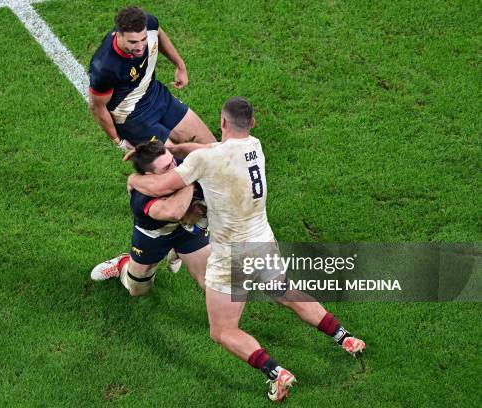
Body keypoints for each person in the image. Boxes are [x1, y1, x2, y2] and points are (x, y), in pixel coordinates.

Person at [127, 97, 366, 403]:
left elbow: (164, 190)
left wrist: (134, 178)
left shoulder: (204, 162)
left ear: (222, 123)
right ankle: (345, 338)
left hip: (231, 254)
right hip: (262, 240)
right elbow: (210, 151)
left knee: (223, 331)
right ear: (251, 123)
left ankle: (276, 373)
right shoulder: (254, 145)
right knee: (286, 294)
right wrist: (175, 149)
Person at [90, 140, 210, 296]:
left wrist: (175, 149)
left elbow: (216, 148)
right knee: (137, 290)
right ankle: (122, 264)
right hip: (155, 236)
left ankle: (180, 251)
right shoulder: (141, 197)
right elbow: (174, 212)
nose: (175, 167)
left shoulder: (180, 163)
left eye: (172, 159)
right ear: (149, 175)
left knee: (214, 282)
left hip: (189, 231)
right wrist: (190, 178)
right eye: (167, 167)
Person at [88, 6, 216, 151]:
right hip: (133, 118)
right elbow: (97, 107)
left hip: (157, 95)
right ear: (118, 35)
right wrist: (119, 141)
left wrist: (180, 65)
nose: (141, 47)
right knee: (175, 165)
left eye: (143, 39)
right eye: (133, 42)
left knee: (212, 147)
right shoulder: (105, 67)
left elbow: (159, 34)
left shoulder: (149, 24)